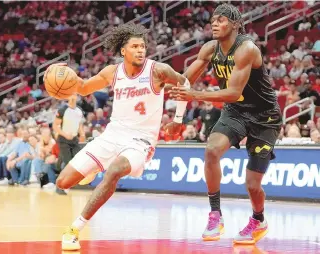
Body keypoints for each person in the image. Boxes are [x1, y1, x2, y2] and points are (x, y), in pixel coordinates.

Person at [49, 23, 188, 251]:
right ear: (123, 51)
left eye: (142, 46)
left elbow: (184, 82)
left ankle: (74, 230)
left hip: (140, 141)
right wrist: (65, 77)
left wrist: (178, 119)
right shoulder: (113, 72)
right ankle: (95, 167)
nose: (140, 50)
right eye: (134, 46)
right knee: (63, 182)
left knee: (114, 170)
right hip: (111, 135)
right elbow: (83, 88)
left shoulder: (158, 71)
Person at [169, 3, 282, 244]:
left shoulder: (247, 49)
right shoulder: (210, 49)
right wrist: (161, 85)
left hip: (265, 117)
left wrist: (196, 96)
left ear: (235, 24)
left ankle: (258, 219)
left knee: (252, 184)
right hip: (236, 112)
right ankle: (215, 214)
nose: (214, 24)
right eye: (212, 20)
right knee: (211, 151)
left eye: (220, 20)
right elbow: (184, 81)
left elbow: (232, 92)